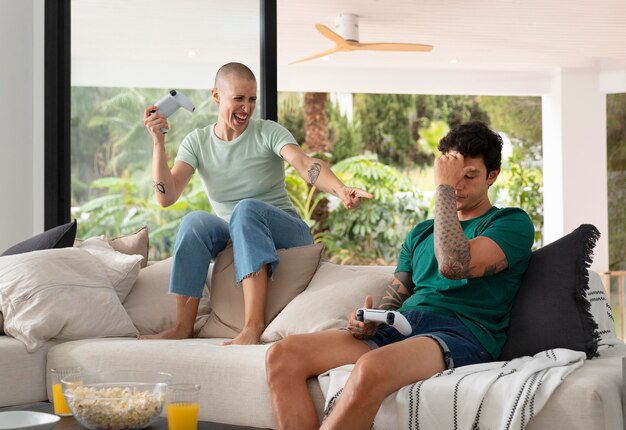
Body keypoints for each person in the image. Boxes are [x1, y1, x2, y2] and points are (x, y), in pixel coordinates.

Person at [265, 120, 535, 429]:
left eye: (469, 176)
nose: (458, 186)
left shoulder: (511, 223)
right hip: (406, 326)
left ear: (492, 176)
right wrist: (368, 321)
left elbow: (453, 264)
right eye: (451, 178)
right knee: (283, 356)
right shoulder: (421, 233)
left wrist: (444, 188)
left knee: (370, 368)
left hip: (462, 333)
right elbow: (394, 302)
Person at [143, 62, 372, 345]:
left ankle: (252, 326)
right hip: (236, 231)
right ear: (216, 96)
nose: (246, 108)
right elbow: (166, 197)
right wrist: (158, 143)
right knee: (193, 222)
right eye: (238, 98)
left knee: (246, 208)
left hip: (286, 229)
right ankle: (183, 326)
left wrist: (340, 189)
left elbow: (304, 164)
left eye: (252, 99)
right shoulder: (198, 142)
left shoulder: (268, 132)